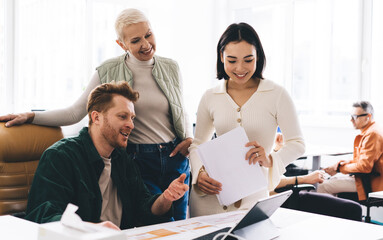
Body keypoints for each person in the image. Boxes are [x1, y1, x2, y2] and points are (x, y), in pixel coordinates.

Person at [0, 9, 192, 220]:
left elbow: (179, 111)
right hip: (138, 158)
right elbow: (76, 112)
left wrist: (190, 140)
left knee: (180, 227)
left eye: (148, 35)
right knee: (154, 221)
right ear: (122, 44)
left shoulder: (172, 67)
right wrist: (32, 116)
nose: (145, 44)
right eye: (136, 40)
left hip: (175, 157)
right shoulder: (108, 70)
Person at [25, 82, 189, 229]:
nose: (131, 125)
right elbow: (44, 217)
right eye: (122, 116)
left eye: (132, 118)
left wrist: (166, 198)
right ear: (96, 117)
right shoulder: (60, 157)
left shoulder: (122, 159)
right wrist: (94, 230)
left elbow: (144, 206)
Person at [188, 23, 305, 217]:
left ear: (257, 57)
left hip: (253, 197)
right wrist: (199, 173)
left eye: (248, 60)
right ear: (221, 57)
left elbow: (297, 144)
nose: (240, 68)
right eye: (232, 60)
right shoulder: (210, 96)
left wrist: (270, 159)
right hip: (210, 197)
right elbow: (198, 143)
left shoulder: (276, 94)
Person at [318, 101, 383, 201]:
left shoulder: (372, 134)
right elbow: (362, 160)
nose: (351, 120)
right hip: (363, 178)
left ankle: (329, 216)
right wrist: (339, 165)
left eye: (355, 117)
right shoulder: (371, 131)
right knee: (329, 180)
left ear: (368, 117)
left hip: (368, 182)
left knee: (323, 186)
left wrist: (339, 169)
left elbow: (364, 167)